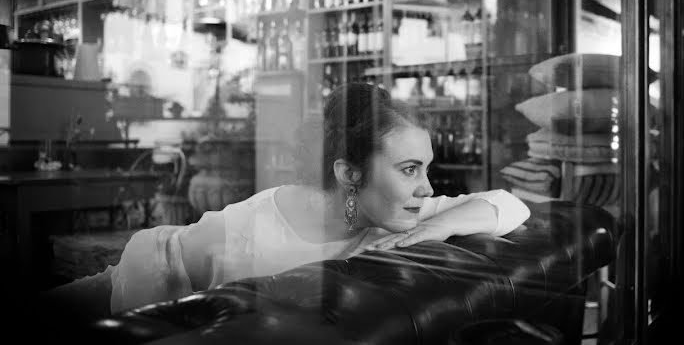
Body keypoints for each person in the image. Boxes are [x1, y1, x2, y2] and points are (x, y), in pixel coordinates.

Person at [108, 82, 530, 313]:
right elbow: (149, 279)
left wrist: (441, 223)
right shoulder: (241, 232)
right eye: (409, 169)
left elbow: (511, 205)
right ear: (349, 173)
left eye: (426, 168)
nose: (428, 189)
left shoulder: (401, 214)